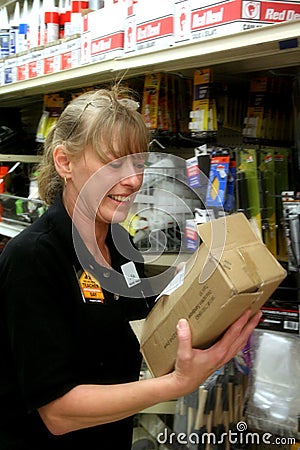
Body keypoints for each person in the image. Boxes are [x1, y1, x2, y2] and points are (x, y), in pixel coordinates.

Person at [0, 86, 262, 450]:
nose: (134, 180)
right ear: (65, 162)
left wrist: (214, 314)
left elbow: (151, 339)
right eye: (113, 164)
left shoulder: (122, 250)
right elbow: (58, 414)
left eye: (138, 163)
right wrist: (176, 385)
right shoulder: (33, 257)